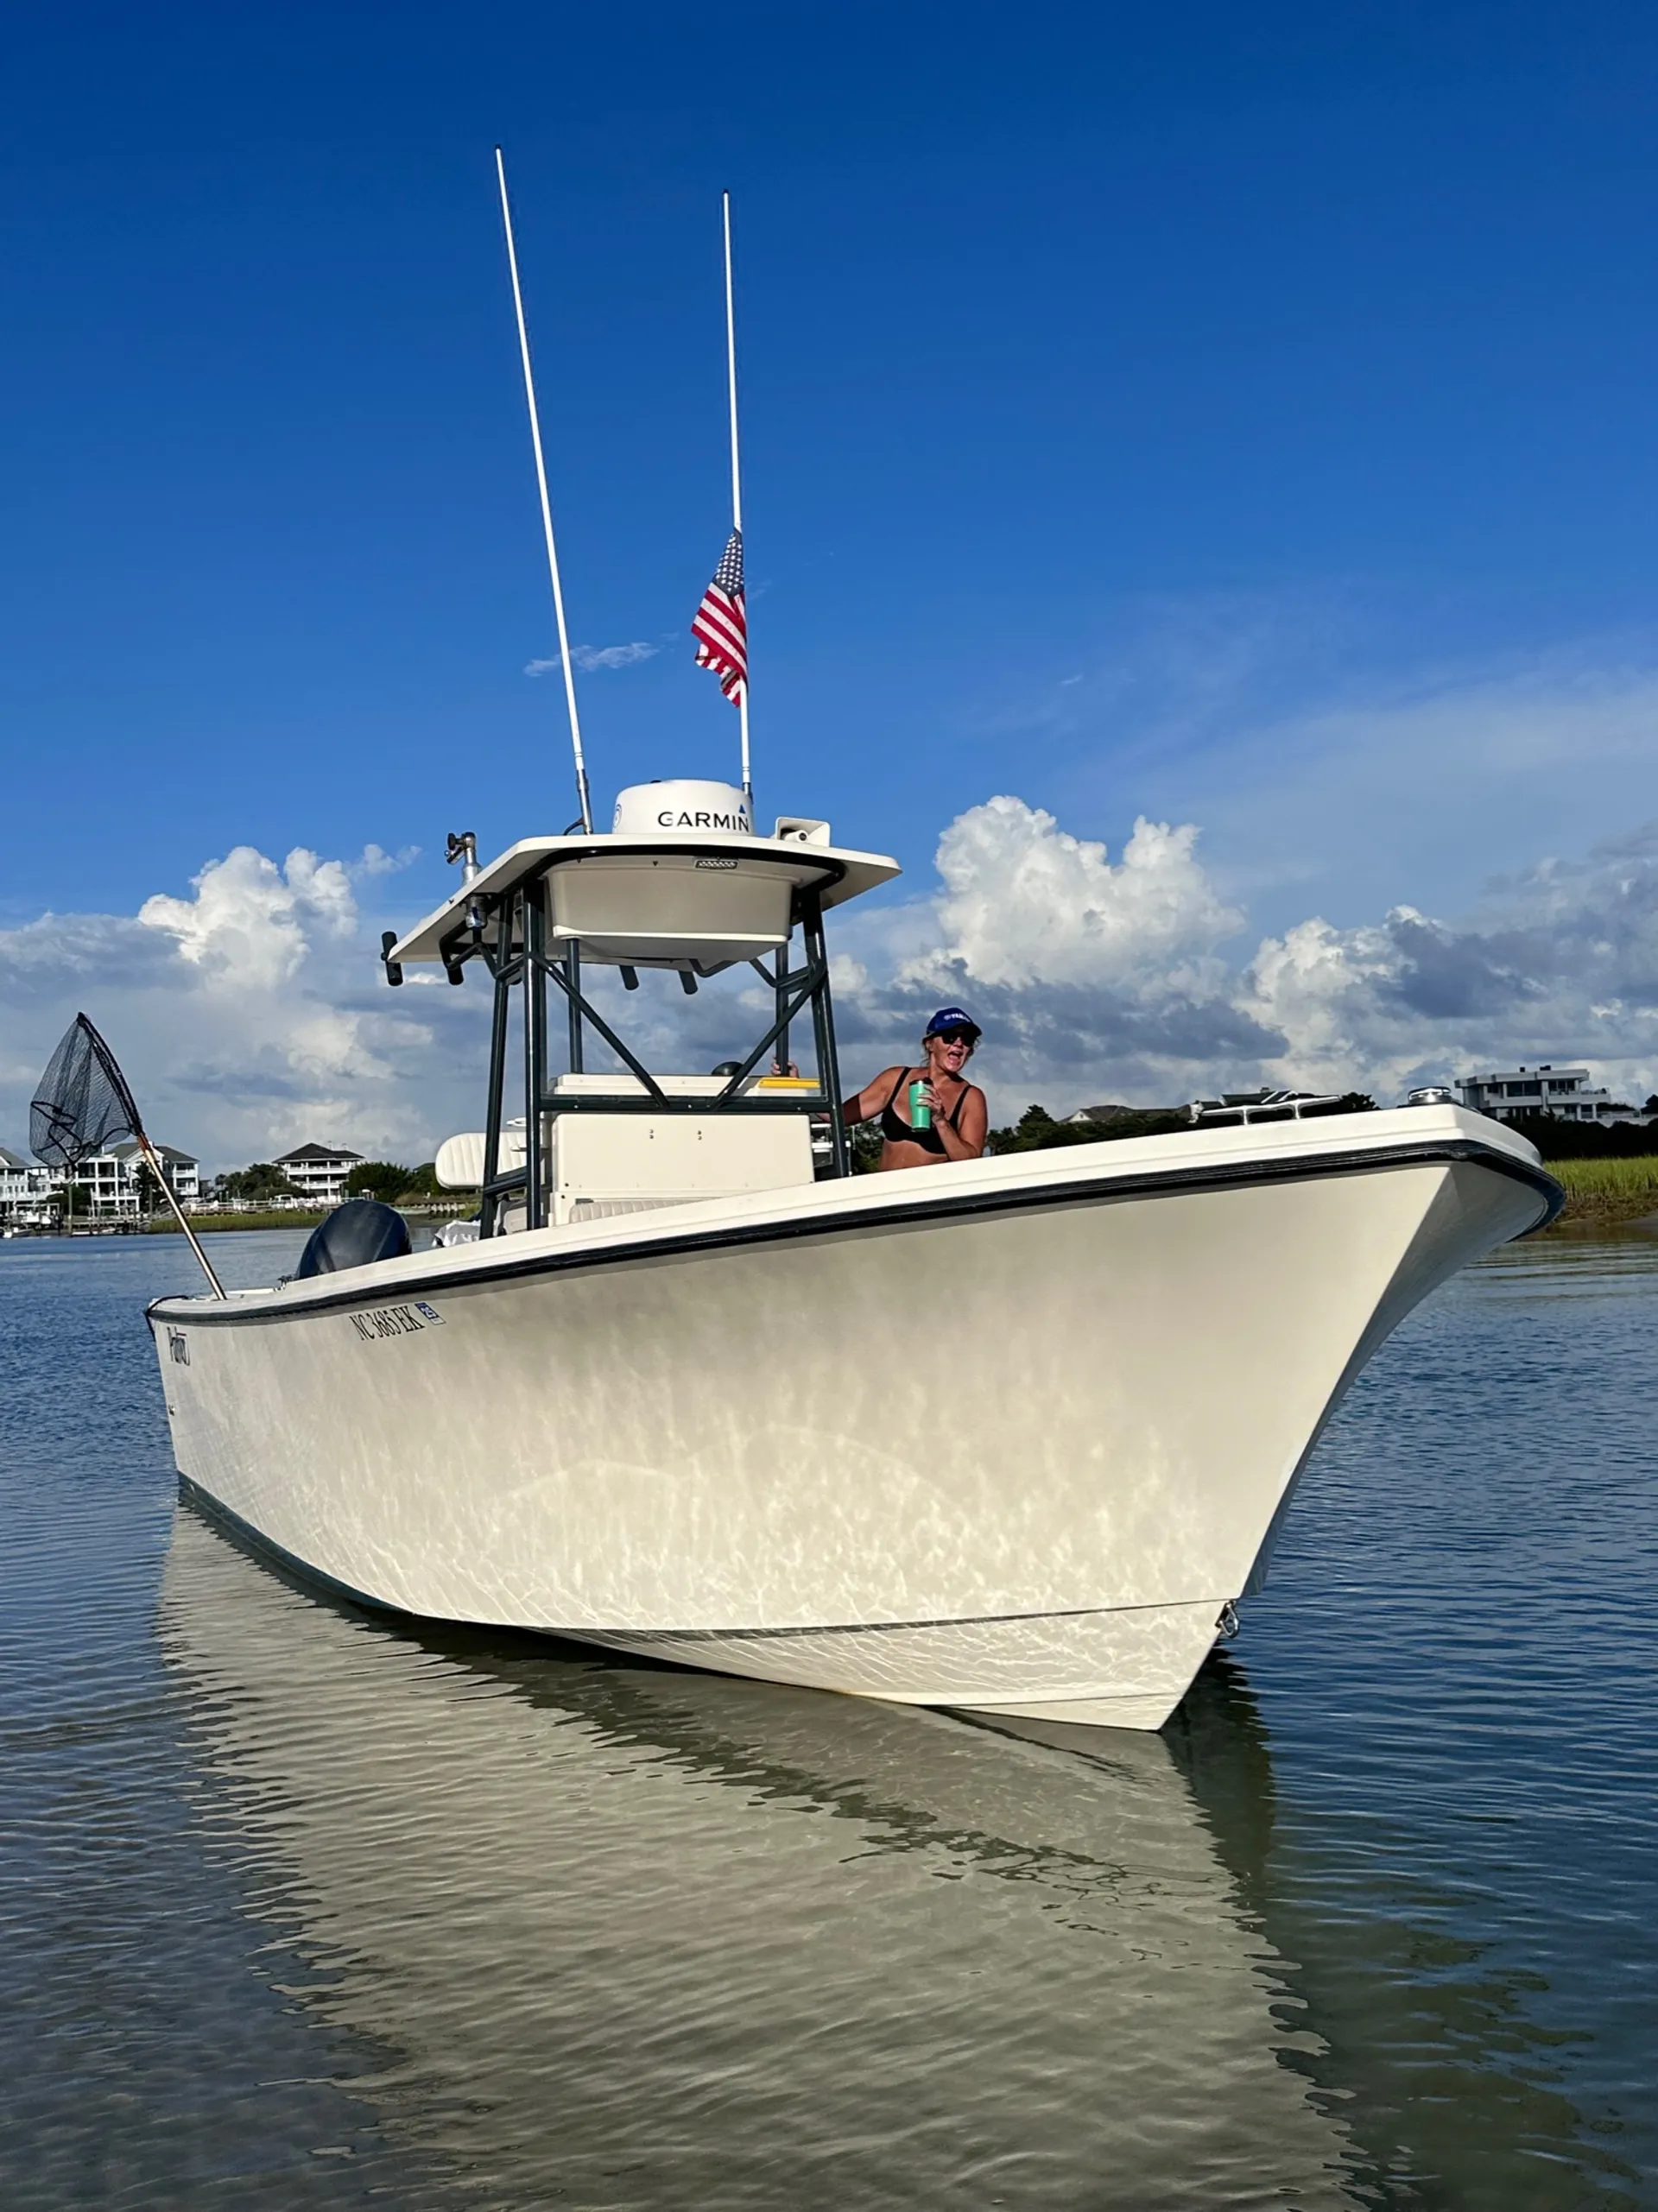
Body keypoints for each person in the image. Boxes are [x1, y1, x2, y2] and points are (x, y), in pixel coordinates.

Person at [842, 1008, 988, 1169]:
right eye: (950, 1037)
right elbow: (840, 1116)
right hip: (885, 1184)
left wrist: (941, 1121)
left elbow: (972, 1163)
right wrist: (818, 1098)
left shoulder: (970, 1097)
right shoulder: (895, 1079)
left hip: (933, 1186)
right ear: (929, 1044)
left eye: (967, 1039)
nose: (959, 1044)